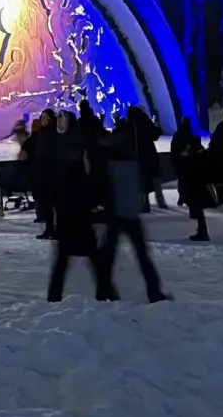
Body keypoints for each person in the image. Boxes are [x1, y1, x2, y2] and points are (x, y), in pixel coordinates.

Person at [96, 122, 167, 302]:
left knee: (110, 255)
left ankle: (104, 292)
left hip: (116, 212)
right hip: (127, 212)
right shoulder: (131, 154)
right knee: (141, 255)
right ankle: (154, 292)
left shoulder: (109, 155)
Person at [47, 133, 101, 301]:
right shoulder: (78, 171)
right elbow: (86, 195)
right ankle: (106, 291)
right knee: (94, 258)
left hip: (67, 222)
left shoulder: (63, 171)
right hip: (79, 221)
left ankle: (54, 295)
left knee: (63, 261)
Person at [171, 115, 211, 242]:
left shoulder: (178, 138)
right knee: (196, 201)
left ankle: (202, 230)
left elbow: (174, 155)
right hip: (195, 174)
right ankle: (201, 228)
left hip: (187, 173)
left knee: (193, 199)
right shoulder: (194, 139)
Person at [29, 109, 59, 238]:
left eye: (46, 117)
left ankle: (58, 230)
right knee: (46, 205)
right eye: (42, 117)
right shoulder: (40, 134)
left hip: (53, 174)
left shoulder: (56, 134)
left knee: (56, 205)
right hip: (42, 174)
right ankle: (49, 229)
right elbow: (30, 149)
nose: (44, 120)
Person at [129, 106, 166, 210]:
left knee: (143, 180)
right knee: (155, 178)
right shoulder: (146, 121)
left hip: (138, 155)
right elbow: (156, 135)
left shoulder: (130, 124)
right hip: (150, 153)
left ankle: (144, 202)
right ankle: (160, 201)